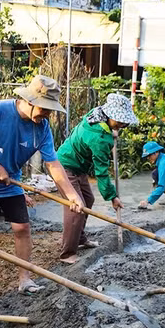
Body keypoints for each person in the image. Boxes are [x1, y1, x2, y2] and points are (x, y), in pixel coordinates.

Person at [0, 75, 85, 295]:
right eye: (45, 109)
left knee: (22, 228)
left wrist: (71, 196)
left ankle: (25, 279)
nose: (48, 114)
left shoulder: (42, 128)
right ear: (30, 102)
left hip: (11, 182)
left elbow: (53, 164)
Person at [56, 93, 138, 263]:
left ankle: (79, 238)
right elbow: (101, 172)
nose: (122, 124)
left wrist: (112, 131)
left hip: (79, 164)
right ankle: (67, 253)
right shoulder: (101, 139)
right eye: (119, 121)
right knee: (77, 208)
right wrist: (112, 197)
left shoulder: (97, 114)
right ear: (110, 115)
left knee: (88, 199)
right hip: (65, 165)